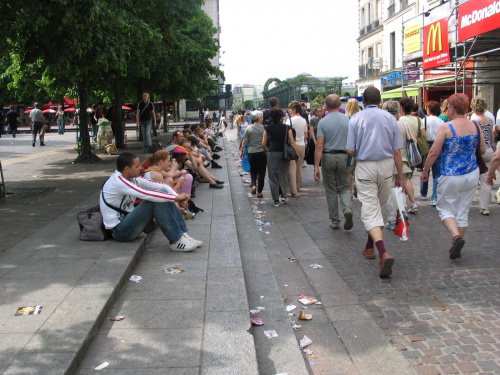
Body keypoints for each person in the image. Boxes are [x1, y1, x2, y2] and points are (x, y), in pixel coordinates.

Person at [346, 87, 404, 277]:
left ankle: (382, 251)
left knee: (370, 209)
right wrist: (401, 176)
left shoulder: (355, 119)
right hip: (387, 165)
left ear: (364, 101)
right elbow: (397, 151)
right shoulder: (390, 118)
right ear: (380, 100)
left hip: (365, 166)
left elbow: (351, 151)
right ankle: (369, 247)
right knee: (377, 207)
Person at [421, 93, 485, 259]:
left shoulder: (446, 127)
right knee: (462, 211)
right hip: (471, 172)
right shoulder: (475, 126)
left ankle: (456, 237)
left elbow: (434, 152)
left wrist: (426, 170)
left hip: (451, 174)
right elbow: (483, 150)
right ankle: (457, 244)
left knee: (445, 208)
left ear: (452, 108)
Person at [100, 152, 201, 251]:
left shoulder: (132, 178)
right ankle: (176, 240)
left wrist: (177, 197)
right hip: (120, 231)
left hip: (129, 222)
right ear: (127, 169)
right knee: (152, 200)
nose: (141, 168)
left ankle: (182, 234)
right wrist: (176, 198)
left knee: (161, 193)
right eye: (137, 166)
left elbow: (161, 186)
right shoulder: (118, 182)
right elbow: (147, 194)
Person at [314, 94, 353, 230]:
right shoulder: (348, 119)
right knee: (344, 187)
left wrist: (316, 167)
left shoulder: (322, 122)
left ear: (326, 106)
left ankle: (335, 220)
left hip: (328, 156)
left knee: (331, 190)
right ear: (339, 105)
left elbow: (319, 146)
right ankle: (347, 209)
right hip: (344, 156)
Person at [382, 100, 413, 231]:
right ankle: (402, 213)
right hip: (404, 160)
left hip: (390, 160)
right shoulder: (403, 123)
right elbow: (413, 141)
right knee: (401, 190)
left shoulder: (385, 124)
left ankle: (391, 219)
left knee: (390, 192)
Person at [262, 108, 299, 207]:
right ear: (282, 117)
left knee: (273, 176)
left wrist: (266, 151)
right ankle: (283, 196)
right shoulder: (287, 128)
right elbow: (292, 142)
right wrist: (296, 154)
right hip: (284, 154)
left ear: (271, 117)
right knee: (283, 175)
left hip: (272, 153)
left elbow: (263, 143)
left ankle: (275, 199)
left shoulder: (268, 128)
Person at [399, 97, 427, 213]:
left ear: (401, 107)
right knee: (408, 177)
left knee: (406, 178)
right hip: (415, 153)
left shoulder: (401, 120)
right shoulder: (418, 120)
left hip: (404, 152)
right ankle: (408, 202)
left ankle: (412, 203)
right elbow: (425, 136)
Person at [470, 97, 496, 215]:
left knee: (472, 178)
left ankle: (466, 203)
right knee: (486, 180)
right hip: (489, 150)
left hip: (478, 152)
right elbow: (492, 136)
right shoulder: (490, 120)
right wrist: (491, 146)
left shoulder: (473, 120)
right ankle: (485, 207)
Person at [420, 101, 444, 207]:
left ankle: (423, 193)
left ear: (429, 109)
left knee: (425, 169)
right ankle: (434, 197)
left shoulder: (424, 120)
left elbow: (421, 133)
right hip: (438, 145)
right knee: (437, 173)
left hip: (426, 145)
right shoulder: (441, 121)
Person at [241, 110, 267, 198]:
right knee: (261, 172)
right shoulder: (264, 128)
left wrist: (242, 150)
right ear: (259, 119)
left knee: (253, 170)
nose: (263, 119)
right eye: (262, 117)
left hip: (251, 152)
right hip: (262, 152)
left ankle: (253, 186)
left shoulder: (249, 128)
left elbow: (245, 140)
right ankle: (259, 192)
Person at [286, 101, 308, 196]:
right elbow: (306, 135)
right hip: (302, 145)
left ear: (294, 109)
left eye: (290, 110)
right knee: (299, 167)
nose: (289, 111)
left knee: (291, 168)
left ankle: (292, 187)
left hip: (292, 146)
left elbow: (287, 134)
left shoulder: (289, 120)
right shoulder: (304, 121)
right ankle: (298, 186)